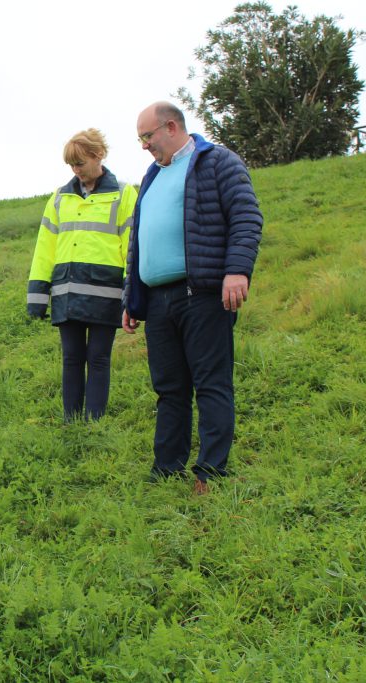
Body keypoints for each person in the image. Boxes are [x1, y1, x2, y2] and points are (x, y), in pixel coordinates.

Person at [122, 101, 263, 494]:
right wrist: (131, 299)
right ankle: (167, 469)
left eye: (147, 137)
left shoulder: (217, 162)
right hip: (158, 301)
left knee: (211, 383)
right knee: (169, 389)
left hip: (201, 294)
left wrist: (237, 270)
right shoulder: (151, 177)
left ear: (170, 127)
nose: (145, 146)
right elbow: (139, 242)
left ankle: (210, 473)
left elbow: (246, 216)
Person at [27, 129, 136, 422]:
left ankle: (94, 426)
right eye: (71, 165)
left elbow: (133, 246)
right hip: (67, 293)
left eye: (80, 163)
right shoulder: (59, 199)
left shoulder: (124, 195)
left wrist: (133, 292)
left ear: (98, 155)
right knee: (71, 359)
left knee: (98, 359)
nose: (76, 170)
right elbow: (45, 248)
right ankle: (71, 424)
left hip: (106, 293)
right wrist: (37, 295)